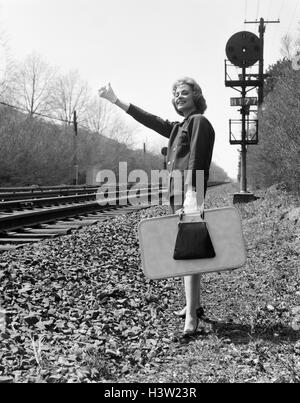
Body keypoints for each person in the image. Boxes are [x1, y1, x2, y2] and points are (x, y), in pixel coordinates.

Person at [98, 77, 215, 337]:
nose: (179, 97)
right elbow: (151, 120)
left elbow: (196, 157)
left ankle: (192, 317)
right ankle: (191, 306)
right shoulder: (179, 126)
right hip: (179, 194)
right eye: (176, 94)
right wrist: (116, 101)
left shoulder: (198, 122)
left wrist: (192, 194)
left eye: (185, 92)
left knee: (190, 255)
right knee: (189, 250)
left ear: (196, 96)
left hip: (188, 193)